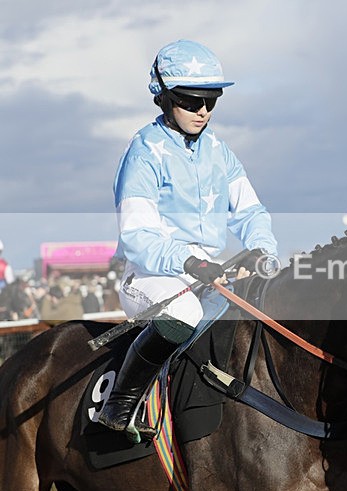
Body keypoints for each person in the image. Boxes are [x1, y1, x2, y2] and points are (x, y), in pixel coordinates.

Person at [98, 40, 278, 441]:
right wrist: (189, 261)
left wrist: (264, 249)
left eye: (212, 101)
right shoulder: (143, 152)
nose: (203, 111)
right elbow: (138, 235)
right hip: (149, 276)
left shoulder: (220, 152)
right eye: (192, 100)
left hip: (207, 276)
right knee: (184, 315)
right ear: (164, 97)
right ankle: (120, 405)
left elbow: (250, 212)